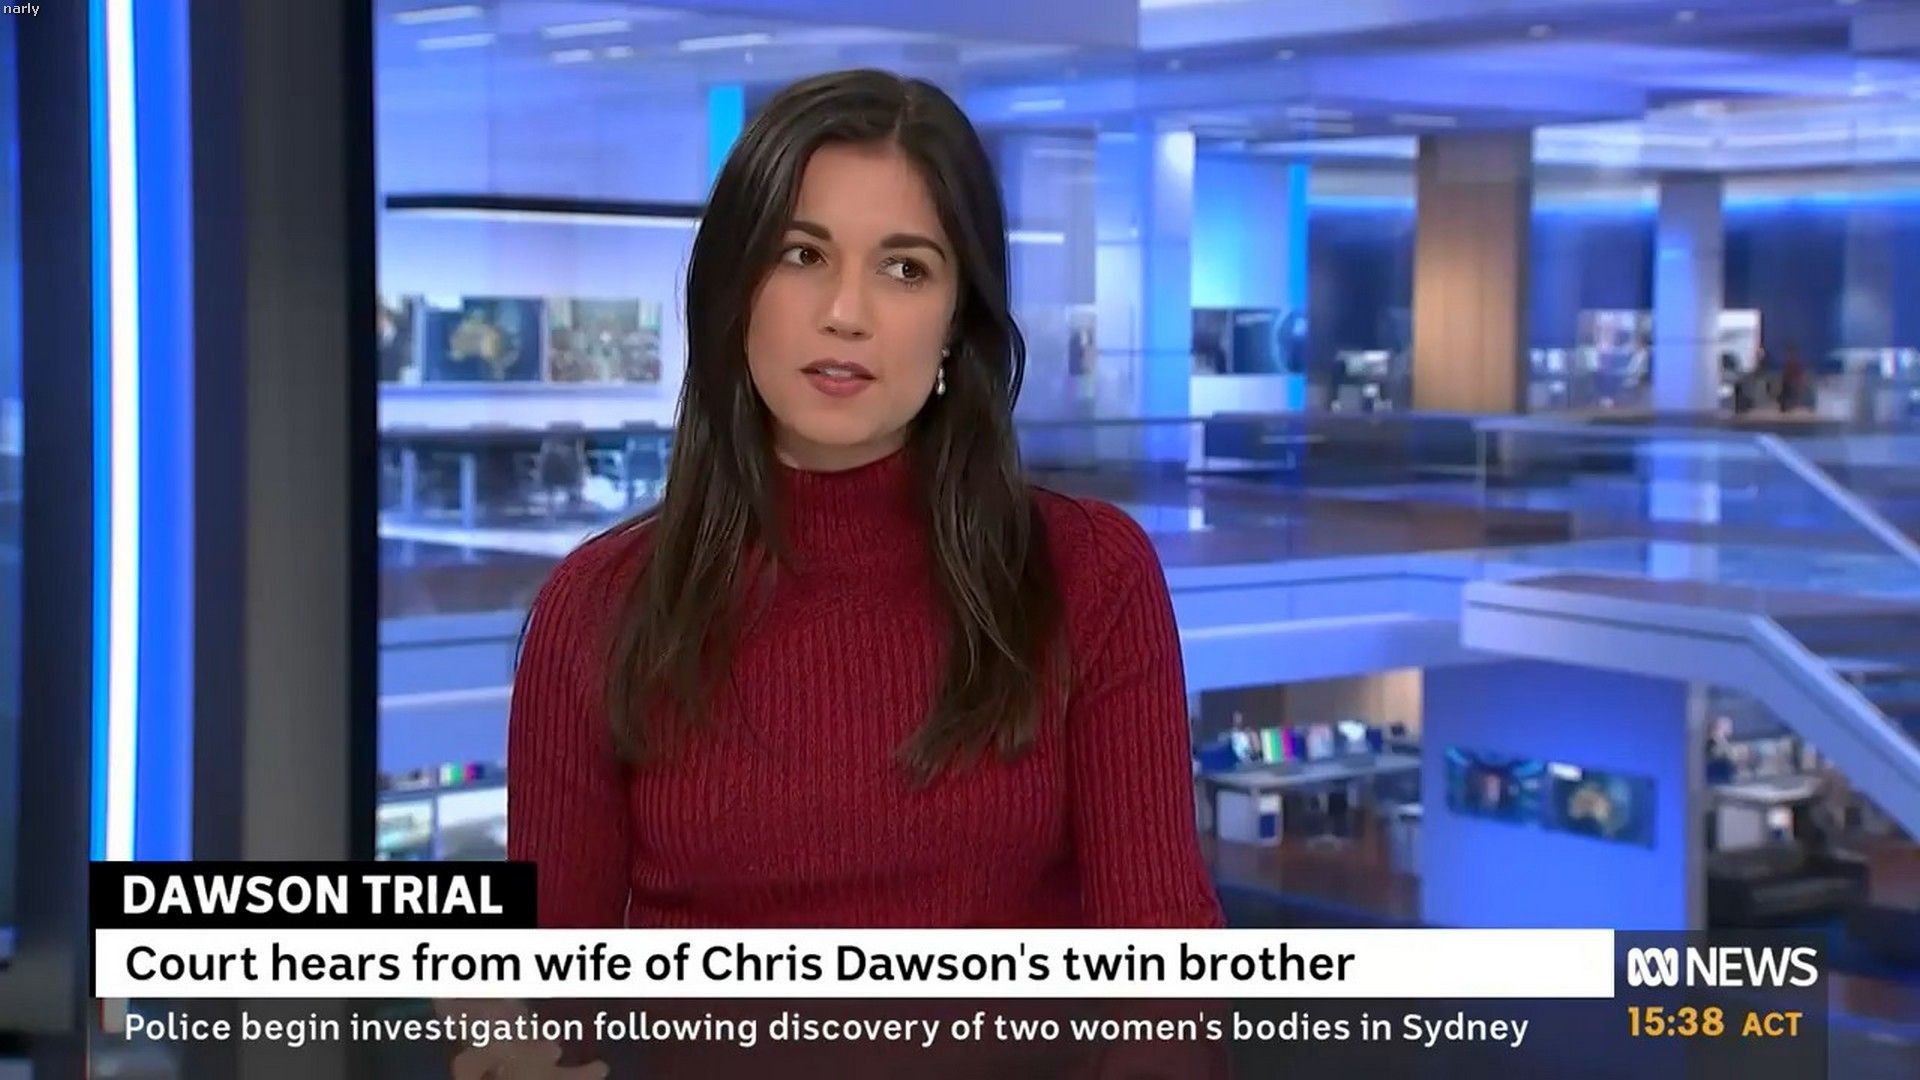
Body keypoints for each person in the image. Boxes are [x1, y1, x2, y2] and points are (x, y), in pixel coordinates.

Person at [451, 68, 1223, 1078]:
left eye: (905, 269)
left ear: (958, 320)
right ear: (735, 290)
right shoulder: (599, 608)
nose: (846, 312)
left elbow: (1165, 991)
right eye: (802, 255)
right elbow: (552, 1009)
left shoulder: (1090, 575)